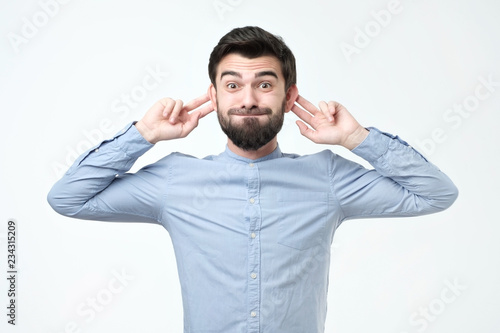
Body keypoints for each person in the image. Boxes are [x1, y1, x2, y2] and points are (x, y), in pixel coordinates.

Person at [48, 26, 458, 333]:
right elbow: (68, 198)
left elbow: (436, 194)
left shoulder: (327, 176)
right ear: (214, 97)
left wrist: (356, 139)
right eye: (233, 85)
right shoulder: (176, 179)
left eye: (265, 84)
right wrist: (143, 135)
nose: (248, 99)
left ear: (289, 96)